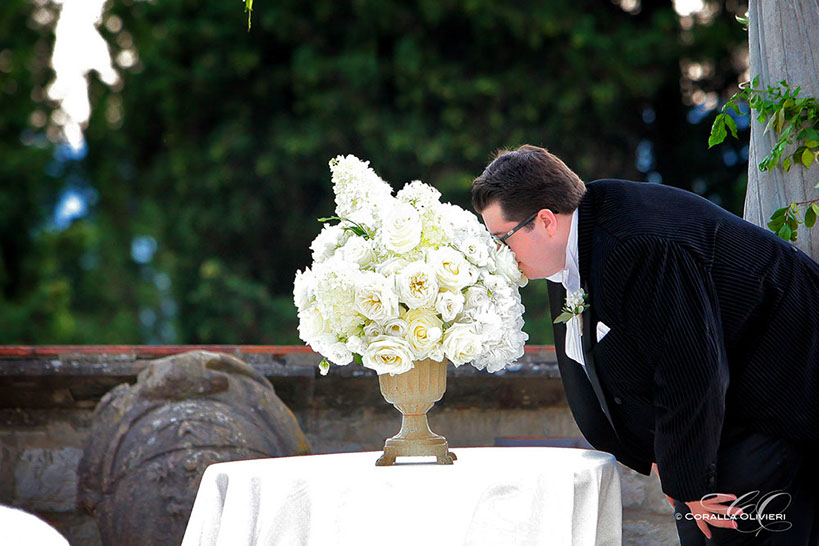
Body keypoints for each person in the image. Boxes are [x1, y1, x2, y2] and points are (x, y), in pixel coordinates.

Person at [472, 144, 819, 545]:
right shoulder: (574, 246)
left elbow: (690, 369)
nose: (501, 253)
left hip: (782, 402)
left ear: (546, 221)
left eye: (503, 237)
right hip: (735, 411)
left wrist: (687, 483)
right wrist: (650, 451)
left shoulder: (635, 244)